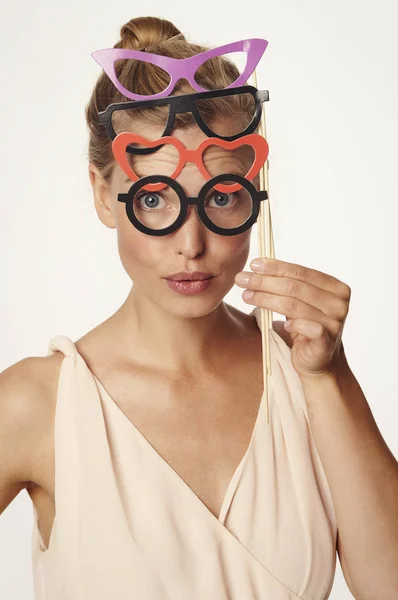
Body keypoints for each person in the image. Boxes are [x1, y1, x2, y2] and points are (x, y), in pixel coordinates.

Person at [0, 15, 355, 600]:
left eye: (220, 197)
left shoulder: (303, 371)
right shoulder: (37, 405)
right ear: (102, 193)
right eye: (156, 199)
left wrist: (328, 374)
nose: (191, 245)